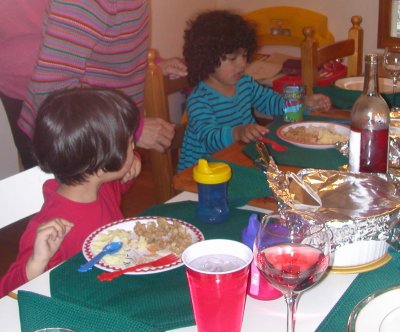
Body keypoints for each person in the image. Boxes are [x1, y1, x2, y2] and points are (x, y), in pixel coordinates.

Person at [0, 0, 187, 170]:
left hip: (97, 123)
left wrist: (149, 64)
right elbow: (51, 89)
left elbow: (109, 42)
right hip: (65, 122)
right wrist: (127, 129)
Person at [0, 88, 141, 297]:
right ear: (103, 164)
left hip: (115, 287)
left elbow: (119, 183)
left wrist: (130, 165)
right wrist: (35, 263)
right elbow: (6, 294)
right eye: (130, 144)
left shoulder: (101, 185)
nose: (135, 147)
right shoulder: (53, 227)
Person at [177, 10, 330, 171]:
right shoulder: (199, 99)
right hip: (202, 173)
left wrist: (302, 103)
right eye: (232, 58)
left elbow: (271, 102)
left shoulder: (245, 83)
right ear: (207, 59)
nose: (242, 64)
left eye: (244, 55)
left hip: (237, 159)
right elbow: (209, 139)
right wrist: (238, 133)